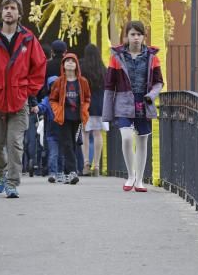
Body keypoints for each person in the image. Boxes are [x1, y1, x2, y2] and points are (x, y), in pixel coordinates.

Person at [0, 0, 46, 198]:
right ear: (1, 11)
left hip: (19, 99)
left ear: (19, 13)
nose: (9, 11)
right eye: (6, 8)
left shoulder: (28, 38)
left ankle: (12, 182)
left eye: (13, 8)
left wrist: (28, 91)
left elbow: (39, 66)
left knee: (15, 143)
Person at [102, 20, 164, 192]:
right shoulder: (116, 57)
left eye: (139, 34)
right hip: (123, 102)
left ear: (144, 37)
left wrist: (151, 95)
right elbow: (109, 86)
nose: (136, 37)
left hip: (144, 102)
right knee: (127, 138)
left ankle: (140, 180)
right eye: (132, 34)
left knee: (142, 141)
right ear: (126, 37)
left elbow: (159, 82)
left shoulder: (153, 58)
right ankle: (130, 175)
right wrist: (106, 114)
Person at [49, 53, 90, 185]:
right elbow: (53, 99)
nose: (70, 63)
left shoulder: (83, 82)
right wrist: (57, 111)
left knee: (73, 144)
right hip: (63, 118)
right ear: (63, 65)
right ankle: (72, 171)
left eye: (73, 61)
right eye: (67, 61)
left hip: (77, 118)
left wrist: (84, 110)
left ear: (77, 64)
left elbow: (88, 98)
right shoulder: (58, 82)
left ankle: (66, 173)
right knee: (66, 143)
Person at [80, 44, 107, 177]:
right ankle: (96, 166)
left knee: (85, 133)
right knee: (97, 134)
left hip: (86, 104)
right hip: (100, 105)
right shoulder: (103, 68)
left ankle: (86, 164)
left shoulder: (82, 66)